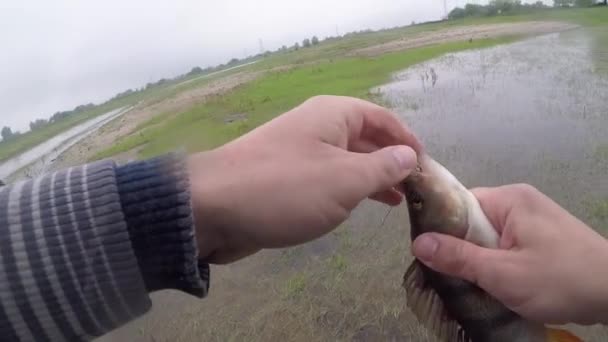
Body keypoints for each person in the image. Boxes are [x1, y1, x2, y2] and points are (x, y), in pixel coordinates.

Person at [0, 95, 605, 341]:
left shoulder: (468, 237)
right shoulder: (472, 236)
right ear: (450, 241)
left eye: (415, 201)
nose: (419, 189)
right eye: (419, 203)